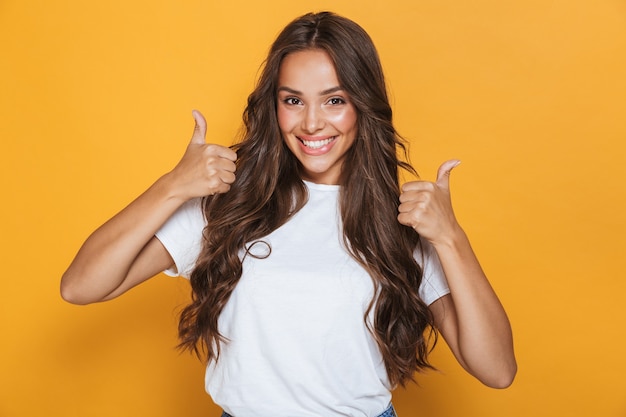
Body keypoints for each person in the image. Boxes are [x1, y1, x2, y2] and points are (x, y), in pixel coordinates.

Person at [61, 11, 516, 417]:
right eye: (293, 100)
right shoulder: (228, 207)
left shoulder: (400, 223)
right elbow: (81, 286)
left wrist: (451, 237)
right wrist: (172, 186)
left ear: (363, 105)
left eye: (334, 100)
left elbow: (496, 370)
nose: (311, 123)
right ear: (273, 106)